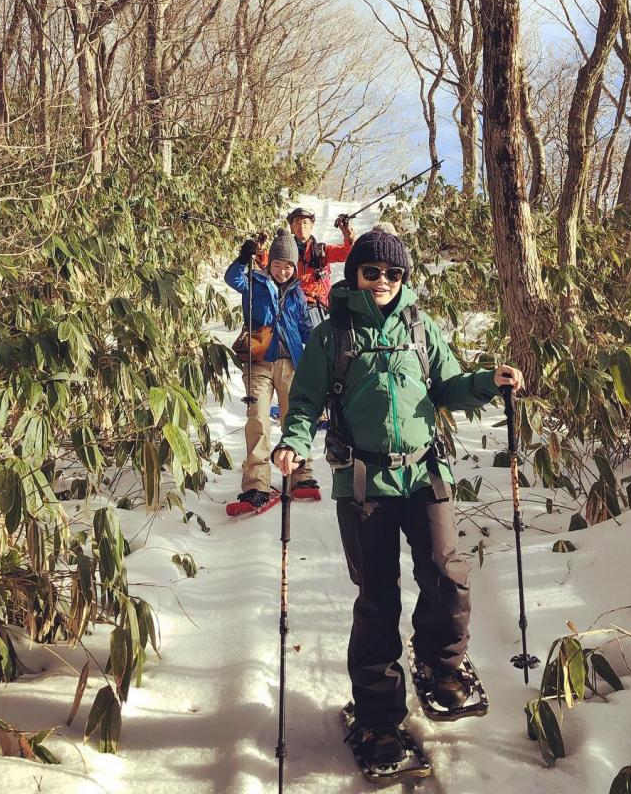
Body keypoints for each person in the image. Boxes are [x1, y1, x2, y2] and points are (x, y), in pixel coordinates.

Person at [270, 228, 525, 765]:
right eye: (372, 272)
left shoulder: (420, 326)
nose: (383, 281)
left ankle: (440, 664)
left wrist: (486, 382)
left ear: (403, 279)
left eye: (393, 273)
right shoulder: (332, 334)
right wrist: (292, 443)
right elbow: (303, 404)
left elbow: (448, 386)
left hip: (425, 475)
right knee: (378, 599)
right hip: (364, 485)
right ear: (354, 274)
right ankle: (379, 716)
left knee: (446, 574)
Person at [224, 229, 321, 512]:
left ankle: (302, 475)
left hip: (291, 363)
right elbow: (233, 278)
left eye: (288, 266)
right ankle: (256, 485)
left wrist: (319, 350)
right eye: (277, 264)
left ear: (294, 267)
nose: (282, 271)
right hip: (259, 364)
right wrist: (244, 258)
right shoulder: (254, 282)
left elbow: (305, 328)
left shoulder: (297, 293)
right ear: (270, 263)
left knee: (295, 418)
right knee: (258, 420)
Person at [286, 207, 355, 325]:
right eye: (297, 222)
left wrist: (348, 235)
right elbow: (270, 265)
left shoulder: (322, 251)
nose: (301, 226)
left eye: (305, 223)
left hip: (316, 305)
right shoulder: (285, 250)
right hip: (291, 303)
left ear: (312, 225)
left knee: (314, 335)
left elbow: (347, 253)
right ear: (291, 227)